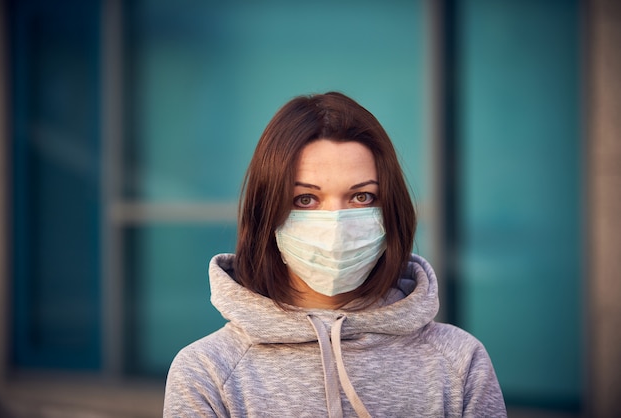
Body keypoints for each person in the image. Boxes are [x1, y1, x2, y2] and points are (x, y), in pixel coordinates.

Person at [163, 92, 506, 417]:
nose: (335, 223)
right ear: (267, 216)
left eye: (362, 198)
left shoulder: (460, 361)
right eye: (305, 199)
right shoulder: (207, 371)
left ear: (391, 211)